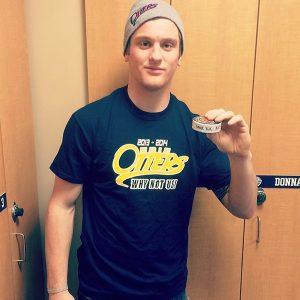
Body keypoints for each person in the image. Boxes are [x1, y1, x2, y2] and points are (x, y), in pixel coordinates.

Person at [45, 0, 257, 299]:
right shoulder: (89, 123)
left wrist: (240, 156)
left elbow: (244, 208)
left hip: (169, 293)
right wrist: (57, 290)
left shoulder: (196, 130)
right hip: (101, 292)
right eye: (145, 43)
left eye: (168, 45)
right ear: (127, 52)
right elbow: (61, 205)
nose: (156, 55)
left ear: (179, 56)